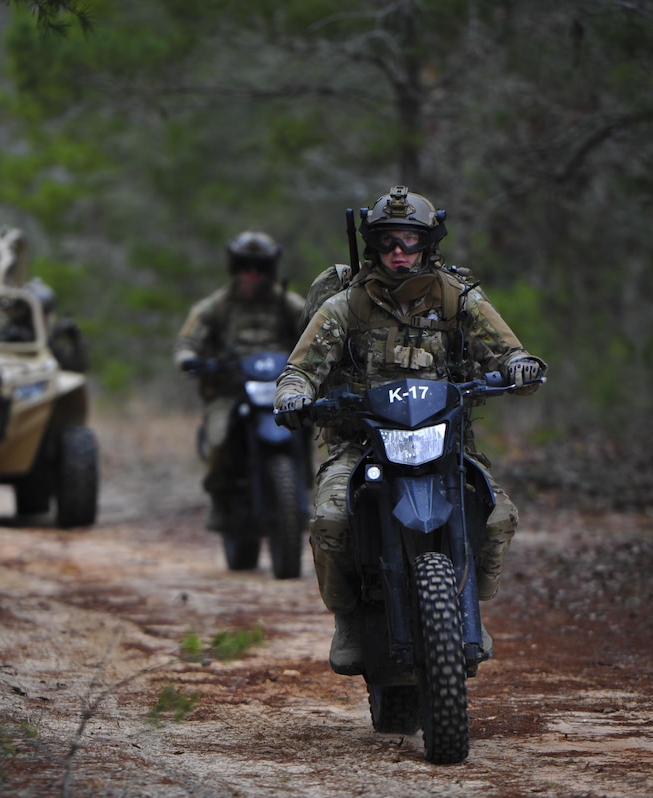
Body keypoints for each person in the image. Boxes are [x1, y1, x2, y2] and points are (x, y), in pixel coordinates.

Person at [274, 186, 546, 674]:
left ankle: (472, 610)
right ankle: (350, 621)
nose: (399, 253)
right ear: (373, 245)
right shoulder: (346, 305)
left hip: (445, 443)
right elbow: (300, 368)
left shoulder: (456, 296)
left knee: (497, 515)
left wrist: (520, 366)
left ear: (428, 243)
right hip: (362, 444)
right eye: (387, 242)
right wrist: (294, 393)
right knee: (331, 521)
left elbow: (507, 350)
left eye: (409, 241)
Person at [173, 230, 307, 531]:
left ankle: (305, 489)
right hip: (228, 392)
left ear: (270, 269)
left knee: (308, 425)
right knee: (219, 441)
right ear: (235, 267)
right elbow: (185, 344)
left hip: (279, 390)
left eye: (260, 268)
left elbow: (316, 333)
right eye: (246, 266)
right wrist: (190, 361)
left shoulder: (288, 303)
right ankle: (221, 499)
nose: (252, 274)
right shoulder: (214, 306)